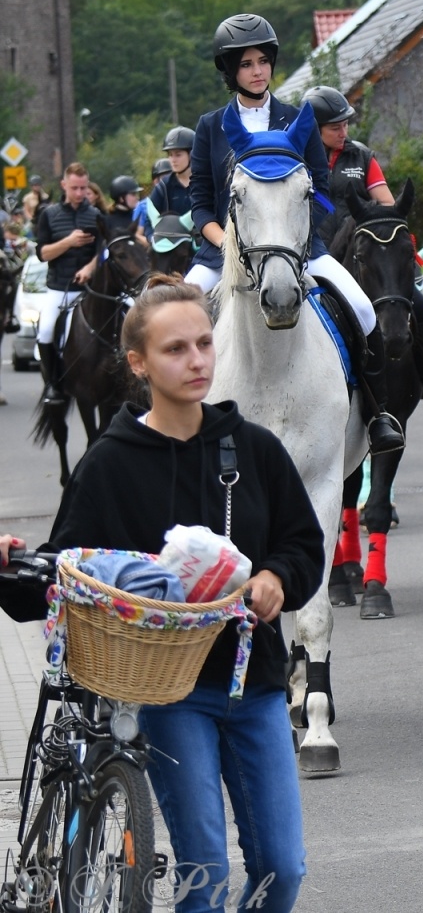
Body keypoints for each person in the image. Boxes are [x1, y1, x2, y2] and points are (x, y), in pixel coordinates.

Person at [38, 274, 321, 913]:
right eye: (175, 349)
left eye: (203, 344)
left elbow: (303, 546)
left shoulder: (254, 449)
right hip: (169, 692)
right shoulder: (110, 461)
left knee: (283, 868)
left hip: (256, 683)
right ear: (138, 363)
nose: (196, 361)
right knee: (205, 873)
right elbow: (65, 569)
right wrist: (14, 565)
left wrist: (277, 576)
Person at [186, 13, 405, 454]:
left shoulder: (297, 119)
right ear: (231, 71)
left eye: (264, 61)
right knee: (169, 316)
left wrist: (294, 238)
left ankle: (379, 413)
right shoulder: (211, 126)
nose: (258, 71)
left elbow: (320, 190)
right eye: (247, 64)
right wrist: (225, 242)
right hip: (223, 254)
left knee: (362, 309)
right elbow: (200, 203)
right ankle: (162, 426)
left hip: (300, 249)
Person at [301, 85, 423, 422]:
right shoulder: (297, 159)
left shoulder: (361, 157)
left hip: (361, 256)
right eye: (335, 127)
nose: (344, 132)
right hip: (309, 253)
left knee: (417, 306)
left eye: (346, 124)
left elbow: (387, 205)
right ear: (314, 130)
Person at [33, 162, 101, 406]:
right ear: (64, 185)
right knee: (46, 329)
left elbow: (102, 251)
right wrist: (69, 242)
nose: (80, 193)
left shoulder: (94, 215)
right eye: (75, 188)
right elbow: (43, 253)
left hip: (89, 290)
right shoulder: (49, 215)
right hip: (59, 288)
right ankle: (52, 384)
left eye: (84, 188)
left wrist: (89, 268)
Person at [137, 126, 196, 241]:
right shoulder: (163, 186)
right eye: (170, 155)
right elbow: (149, 220)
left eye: (178, 155)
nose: (173, 160)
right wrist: (152, 239)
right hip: (171, 248)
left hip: (202, 245)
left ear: (191, 154)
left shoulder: (206, 182)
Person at [104, 174, 141, 239]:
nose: (137, 197)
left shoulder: (139, 215)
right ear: (121, 198)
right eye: (133, 194)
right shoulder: (108, 221)